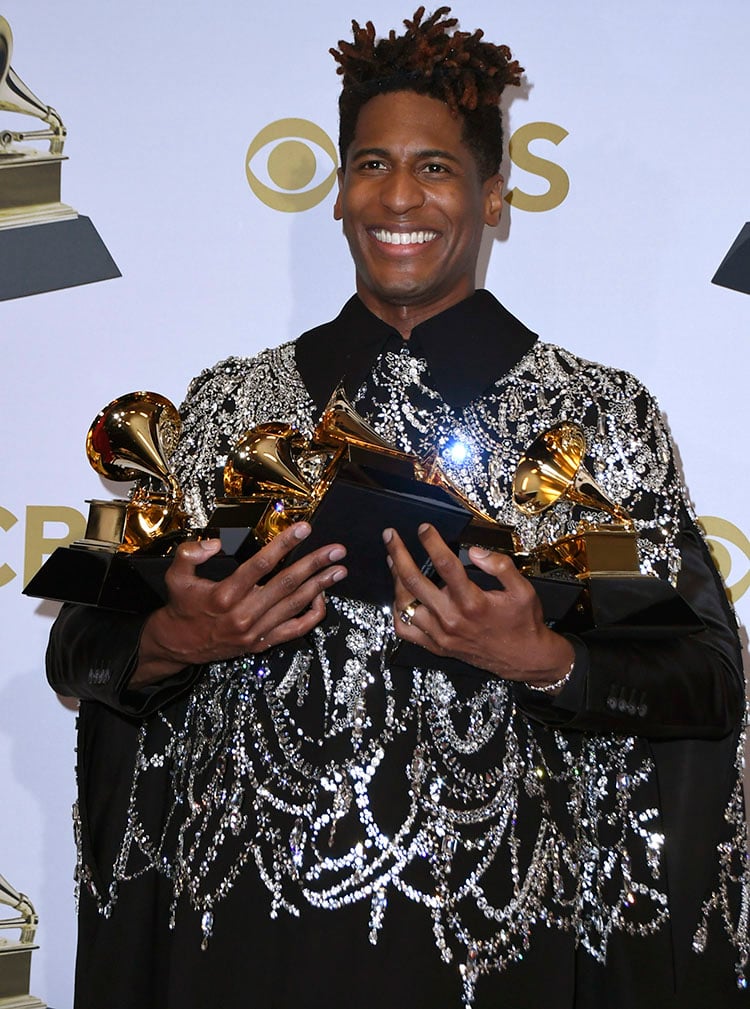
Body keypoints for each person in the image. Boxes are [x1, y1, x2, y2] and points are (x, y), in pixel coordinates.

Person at [46, 8, 748, 1008]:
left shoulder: (594, 425)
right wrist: (177, 636)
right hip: (243, 940)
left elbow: (706, 679)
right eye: (372, 165)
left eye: (436, 168)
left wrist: (545, 657)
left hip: (502, 941)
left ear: (493, 195)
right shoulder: (223, 409)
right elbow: (78, 645)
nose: (399, 196)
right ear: (339, 192)